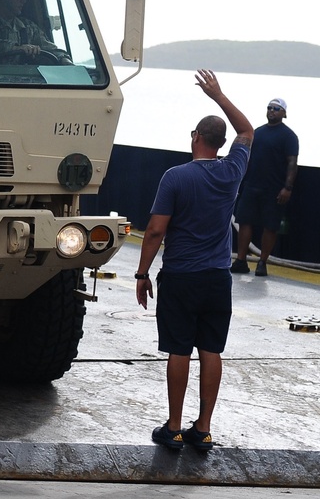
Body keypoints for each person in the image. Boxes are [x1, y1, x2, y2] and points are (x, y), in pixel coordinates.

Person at [135, 70, 253, 452]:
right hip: (218, 278)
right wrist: (218, 95)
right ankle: (202, 428)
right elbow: (247, 131)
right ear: (220, 143)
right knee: (211, 350)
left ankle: (172, 427)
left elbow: (154, 231)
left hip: (182, 277)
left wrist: (141, 273)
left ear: (196, 138)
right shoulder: (232, 172)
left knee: (179, 349)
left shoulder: (175, 177)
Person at [230, 97, 298, 277]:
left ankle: (262, 262)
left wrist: (287, 187)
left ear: (284, 113)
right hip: (252, 185)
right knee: (244, 221)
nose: (272, 111)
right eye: (269, 107)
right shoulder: (257, 132)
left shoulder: (289, 136)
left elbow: (292, 163)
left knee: (270, 226)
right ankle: (241, 260)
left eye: (276, 108)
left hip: (274, 189)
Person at [0, 0, 72, 65]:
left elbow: (48, 48)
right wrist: (17, 48)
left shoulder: (28, 27)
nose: (23, 0)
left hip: (25, 82)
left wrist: (64, 59)